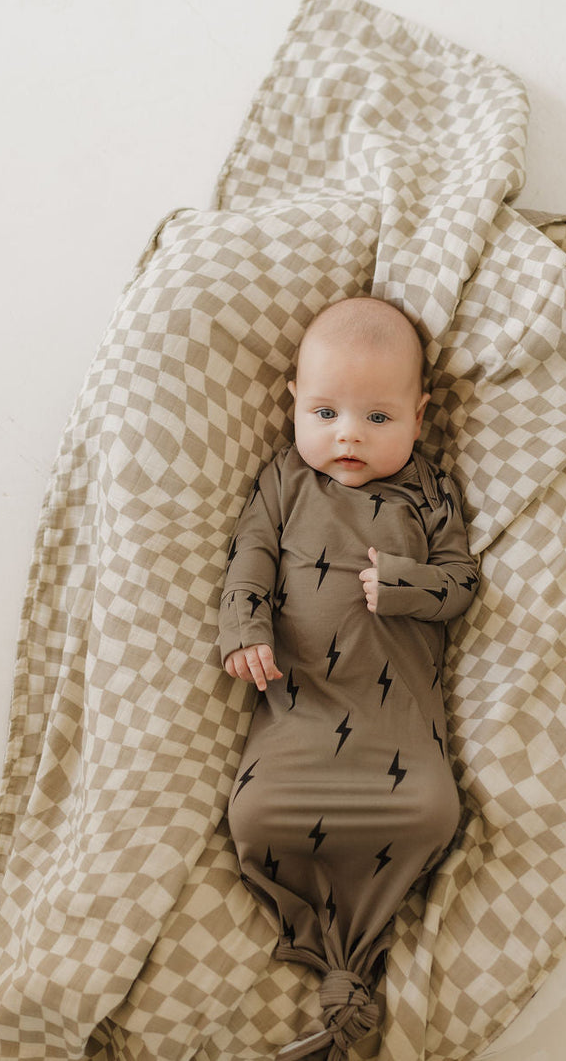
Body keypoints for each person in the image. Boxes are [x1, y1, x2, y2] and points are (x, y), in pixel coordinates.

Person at [218, 296, 480, 1060]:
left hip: (394, 721)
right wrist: (244, 629)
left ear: (419, 416)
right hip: (299, 713)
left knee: (432, 812)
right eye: (327, 411)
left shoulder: (426, 493)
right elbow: (249, 561)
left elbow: (462, 582)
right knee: (255, 819)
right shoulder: (283, 484)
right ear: (294, 403)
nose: (347, 437)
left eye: (377, 418)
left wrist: (407, 584)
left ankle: (354, 955)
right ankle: (333, 953)